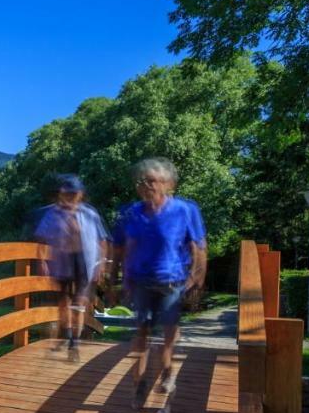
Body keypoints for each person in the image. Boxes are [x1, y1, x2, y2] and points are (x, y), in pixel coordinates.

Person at [111, 158, 206, 399]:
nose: (146, 185)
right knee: (142, 331)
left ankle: (167, 371)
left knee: (168, 332)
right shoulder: (131, 212)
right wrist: (116, 280)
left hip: (171, 281)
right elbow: (121, 248)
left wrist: (197, 277)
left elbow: (199, 246)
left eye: (152, 181)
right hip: (142, 282)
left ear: (167, 184)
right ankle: (139, 383)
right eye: (142, 181)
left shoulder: (184, 210)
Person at [33, 173, 110, 361]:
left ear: (80, 194)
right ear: (60, 194)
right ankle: (67, 335)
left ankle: (74, 342)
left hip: (84, 260)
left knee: (80, 304)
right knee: (63, 302)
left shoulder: (90, 214)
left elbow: (102, 240)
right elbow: (41, 239)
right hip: (61, 260)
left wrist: (101, 264)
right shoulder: (52, 214)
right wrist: (42, 261)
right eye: (66, 194)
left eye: (73, 194)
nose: (69, 197)